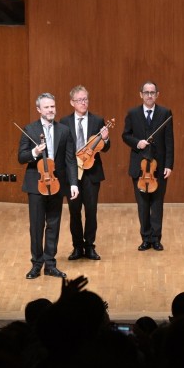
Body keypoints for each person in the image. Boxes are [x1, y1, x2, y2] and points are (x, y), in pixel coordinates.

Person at [17, 92, 77, 279]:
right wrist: (34, 152)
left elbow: (70, 159)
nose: (51, 110)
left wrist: (73, 183)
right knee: (36, 226)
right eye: (47, 107)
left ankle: (50, 264)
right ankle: (36, 264)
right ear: (39, 109)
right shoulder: (30, 129)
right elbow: (21, 157)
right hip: (36, 184)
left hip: (57, 184)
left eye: (53, 106)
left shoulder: (64, 130)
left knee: (53, 224)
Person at [122, 81, 175, 251]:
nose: (149, 95)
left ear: (157, 94)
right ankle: (145, 238)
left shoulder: (165, 113)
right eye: (146, 92)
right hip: (139, 167)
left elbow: (169, 141)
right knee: (143, 205)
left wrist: (169, 165)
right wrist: (137, 143)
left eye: (152, 92)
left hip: (159, 166)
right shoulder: (132, 113)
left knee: (157, 204)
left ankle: (156, 238)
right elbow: (125, 135)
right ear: (141, 94)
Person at [59, 85, 110, 261]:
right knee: (74, 211)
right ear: (72, 102)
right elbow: (61, 148)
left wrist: (105, 139)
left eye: (85, 99)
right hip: (72, 174)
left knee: (91, 211)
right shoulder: (64, 122)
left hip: (92, 173)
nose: (83, 103)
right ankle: (77, 247)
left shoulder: (97, 120)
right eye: (80, 100)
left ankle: (89, 247)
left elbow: (105, 148)